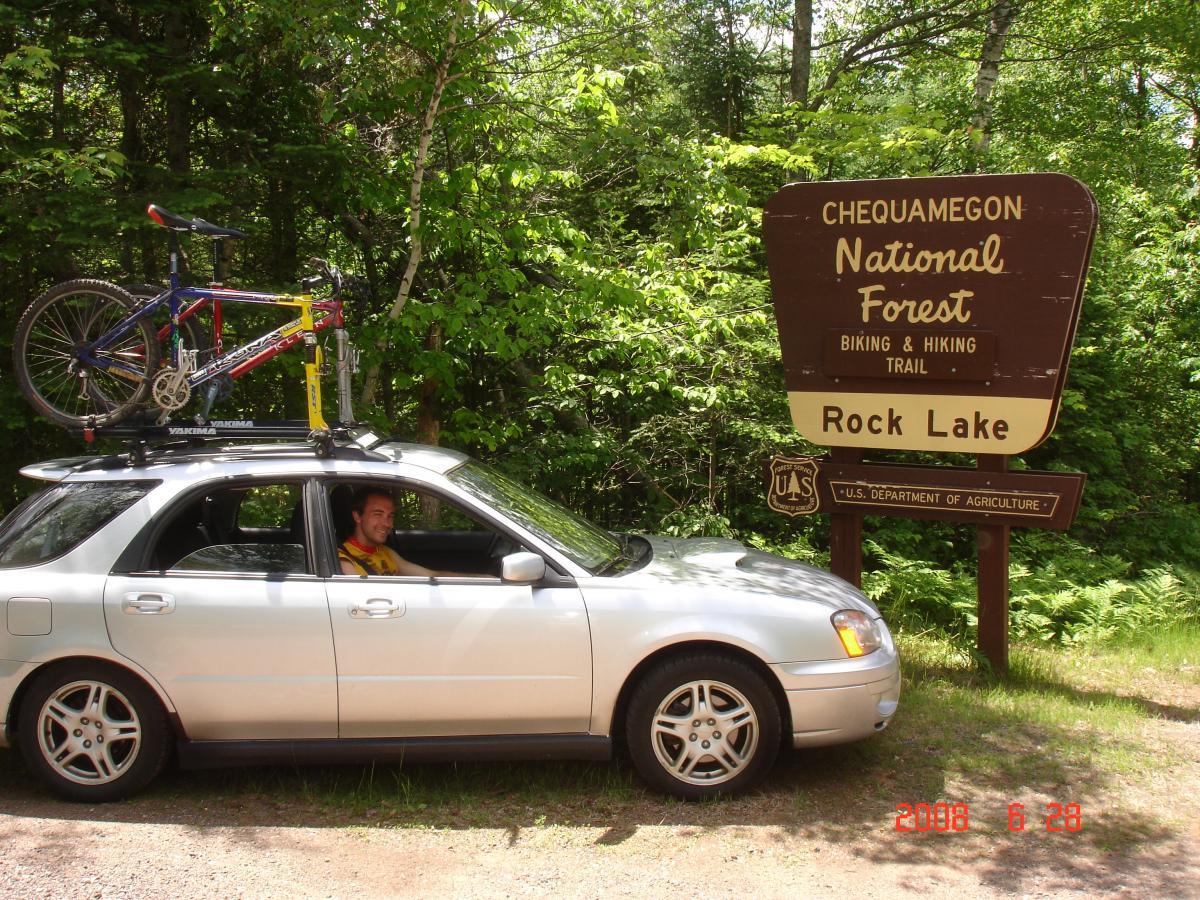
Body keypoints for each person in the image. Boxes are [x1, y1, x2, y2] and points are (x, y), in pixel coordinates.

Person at [338, 487, 444, 577]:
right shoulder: (343, 559)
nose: (387, 524)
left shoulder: (384, 551)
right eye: (378, 514)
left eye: (390, 516)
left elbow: (432, 575)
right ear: (357, 517)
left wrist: (460, 579)